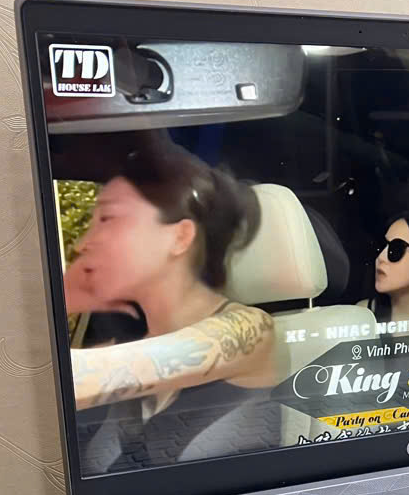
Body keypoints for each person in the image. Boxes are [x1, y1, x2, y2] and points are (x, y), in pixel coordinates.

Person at [63, 142, 278, 471]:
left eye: (109, 219)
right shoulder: (128, 338)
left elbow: (72, 379)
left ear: (180, 237)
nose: (84, 243)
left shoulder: (252, 330)